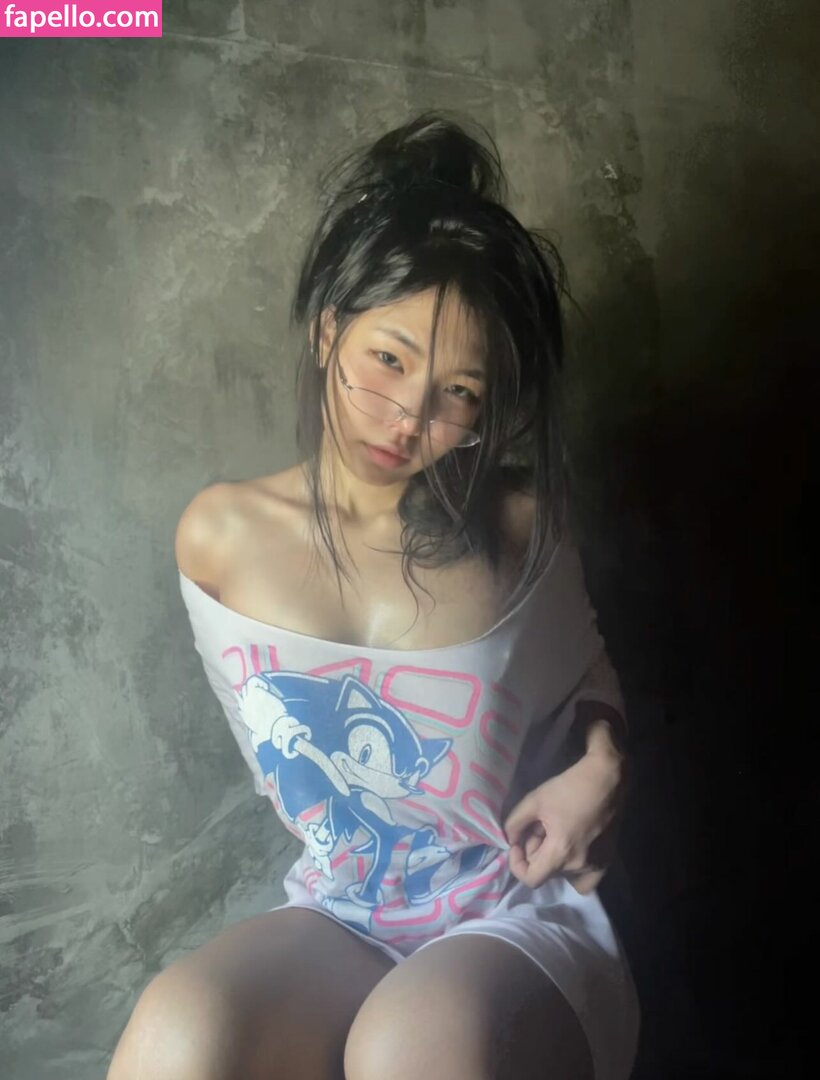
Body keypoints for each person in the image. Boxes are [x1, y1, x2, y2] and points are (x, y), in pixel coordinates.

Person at [108, 112, 639, 1080]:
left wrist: (601, 769)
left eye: (458, 394)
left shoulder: (519, 527)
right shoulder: (220, 540)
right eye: (387, 361)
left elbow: (589, 670)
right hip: (344, 912)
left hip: (509, 917)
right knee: (178, 1028)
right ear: (328, 331)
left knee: (408, 1044)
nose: (406, 418)